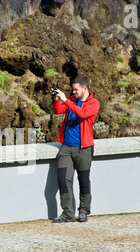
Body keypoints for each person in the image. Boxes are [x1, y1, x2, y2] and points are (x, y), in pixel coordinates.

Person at [51, 75, 100, 223]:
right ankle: (67, 213)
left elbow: (82, 113)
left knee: (83, 180)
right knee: (62, 179)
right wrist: (56, 99)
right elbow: (58, 110)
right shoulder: (72, 100)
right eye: (72, 89)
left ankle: (84, 211)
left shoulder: (93, 103)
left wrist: (65, 99)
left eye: (76, 89)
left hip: (84, 148)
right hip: (66, 147)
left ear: (85, 88)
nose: (73, 92)